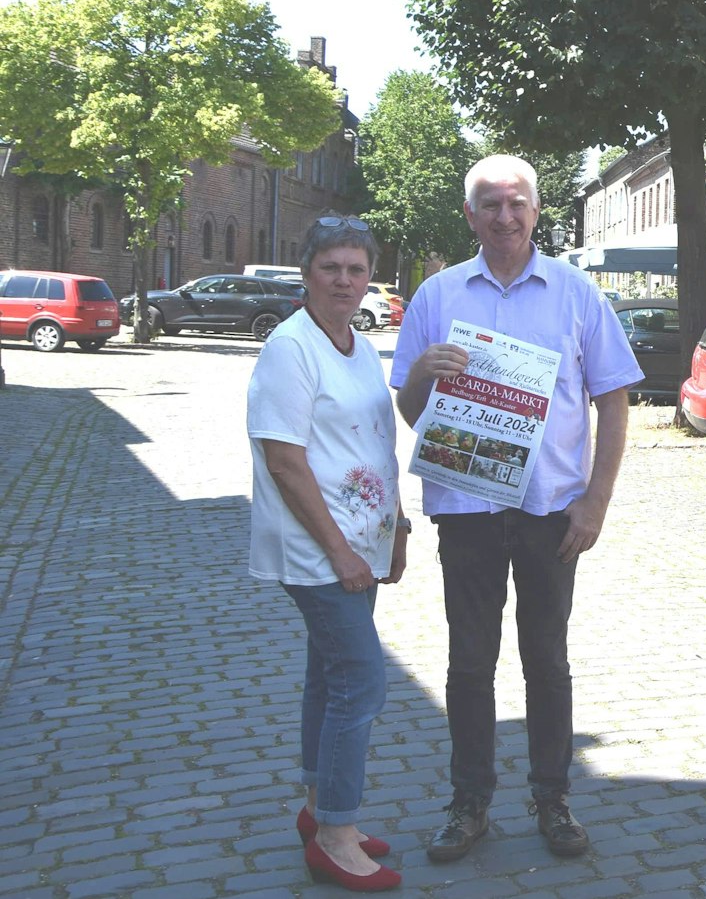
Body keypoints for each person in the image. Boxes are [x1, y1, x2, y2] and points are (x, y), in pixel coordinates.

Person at [391, 154, 641, 862]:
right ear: (469, 215)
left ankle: (552, 797)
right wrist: (419, 377)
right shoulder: (437, 296)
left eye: (517, 203)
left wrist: (596, 501)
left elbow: (613, 399)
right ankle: (469, 802)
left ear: (536, 211)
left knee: (547, 661)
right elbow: (411, 413)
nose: (505, 215)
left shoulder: (575, 293)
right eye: (490, 204)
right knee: (468, 663)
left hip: (549, 513)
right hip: (467, 508)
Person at [247, 215, 407, 893]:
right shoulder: (291, 349)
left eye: (356, 268)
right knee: (361, 677)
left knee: (328, 674)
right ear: (305, 272)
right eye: (330, 267)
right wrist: (341, 549)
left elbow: (372, 441)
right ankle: (337, 836)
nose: (345, 280)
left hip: (361, 543)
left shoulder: (358, 344)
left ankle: (318, 811)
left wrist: (394, 530)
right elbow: (284, 461)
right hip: (319, 549)